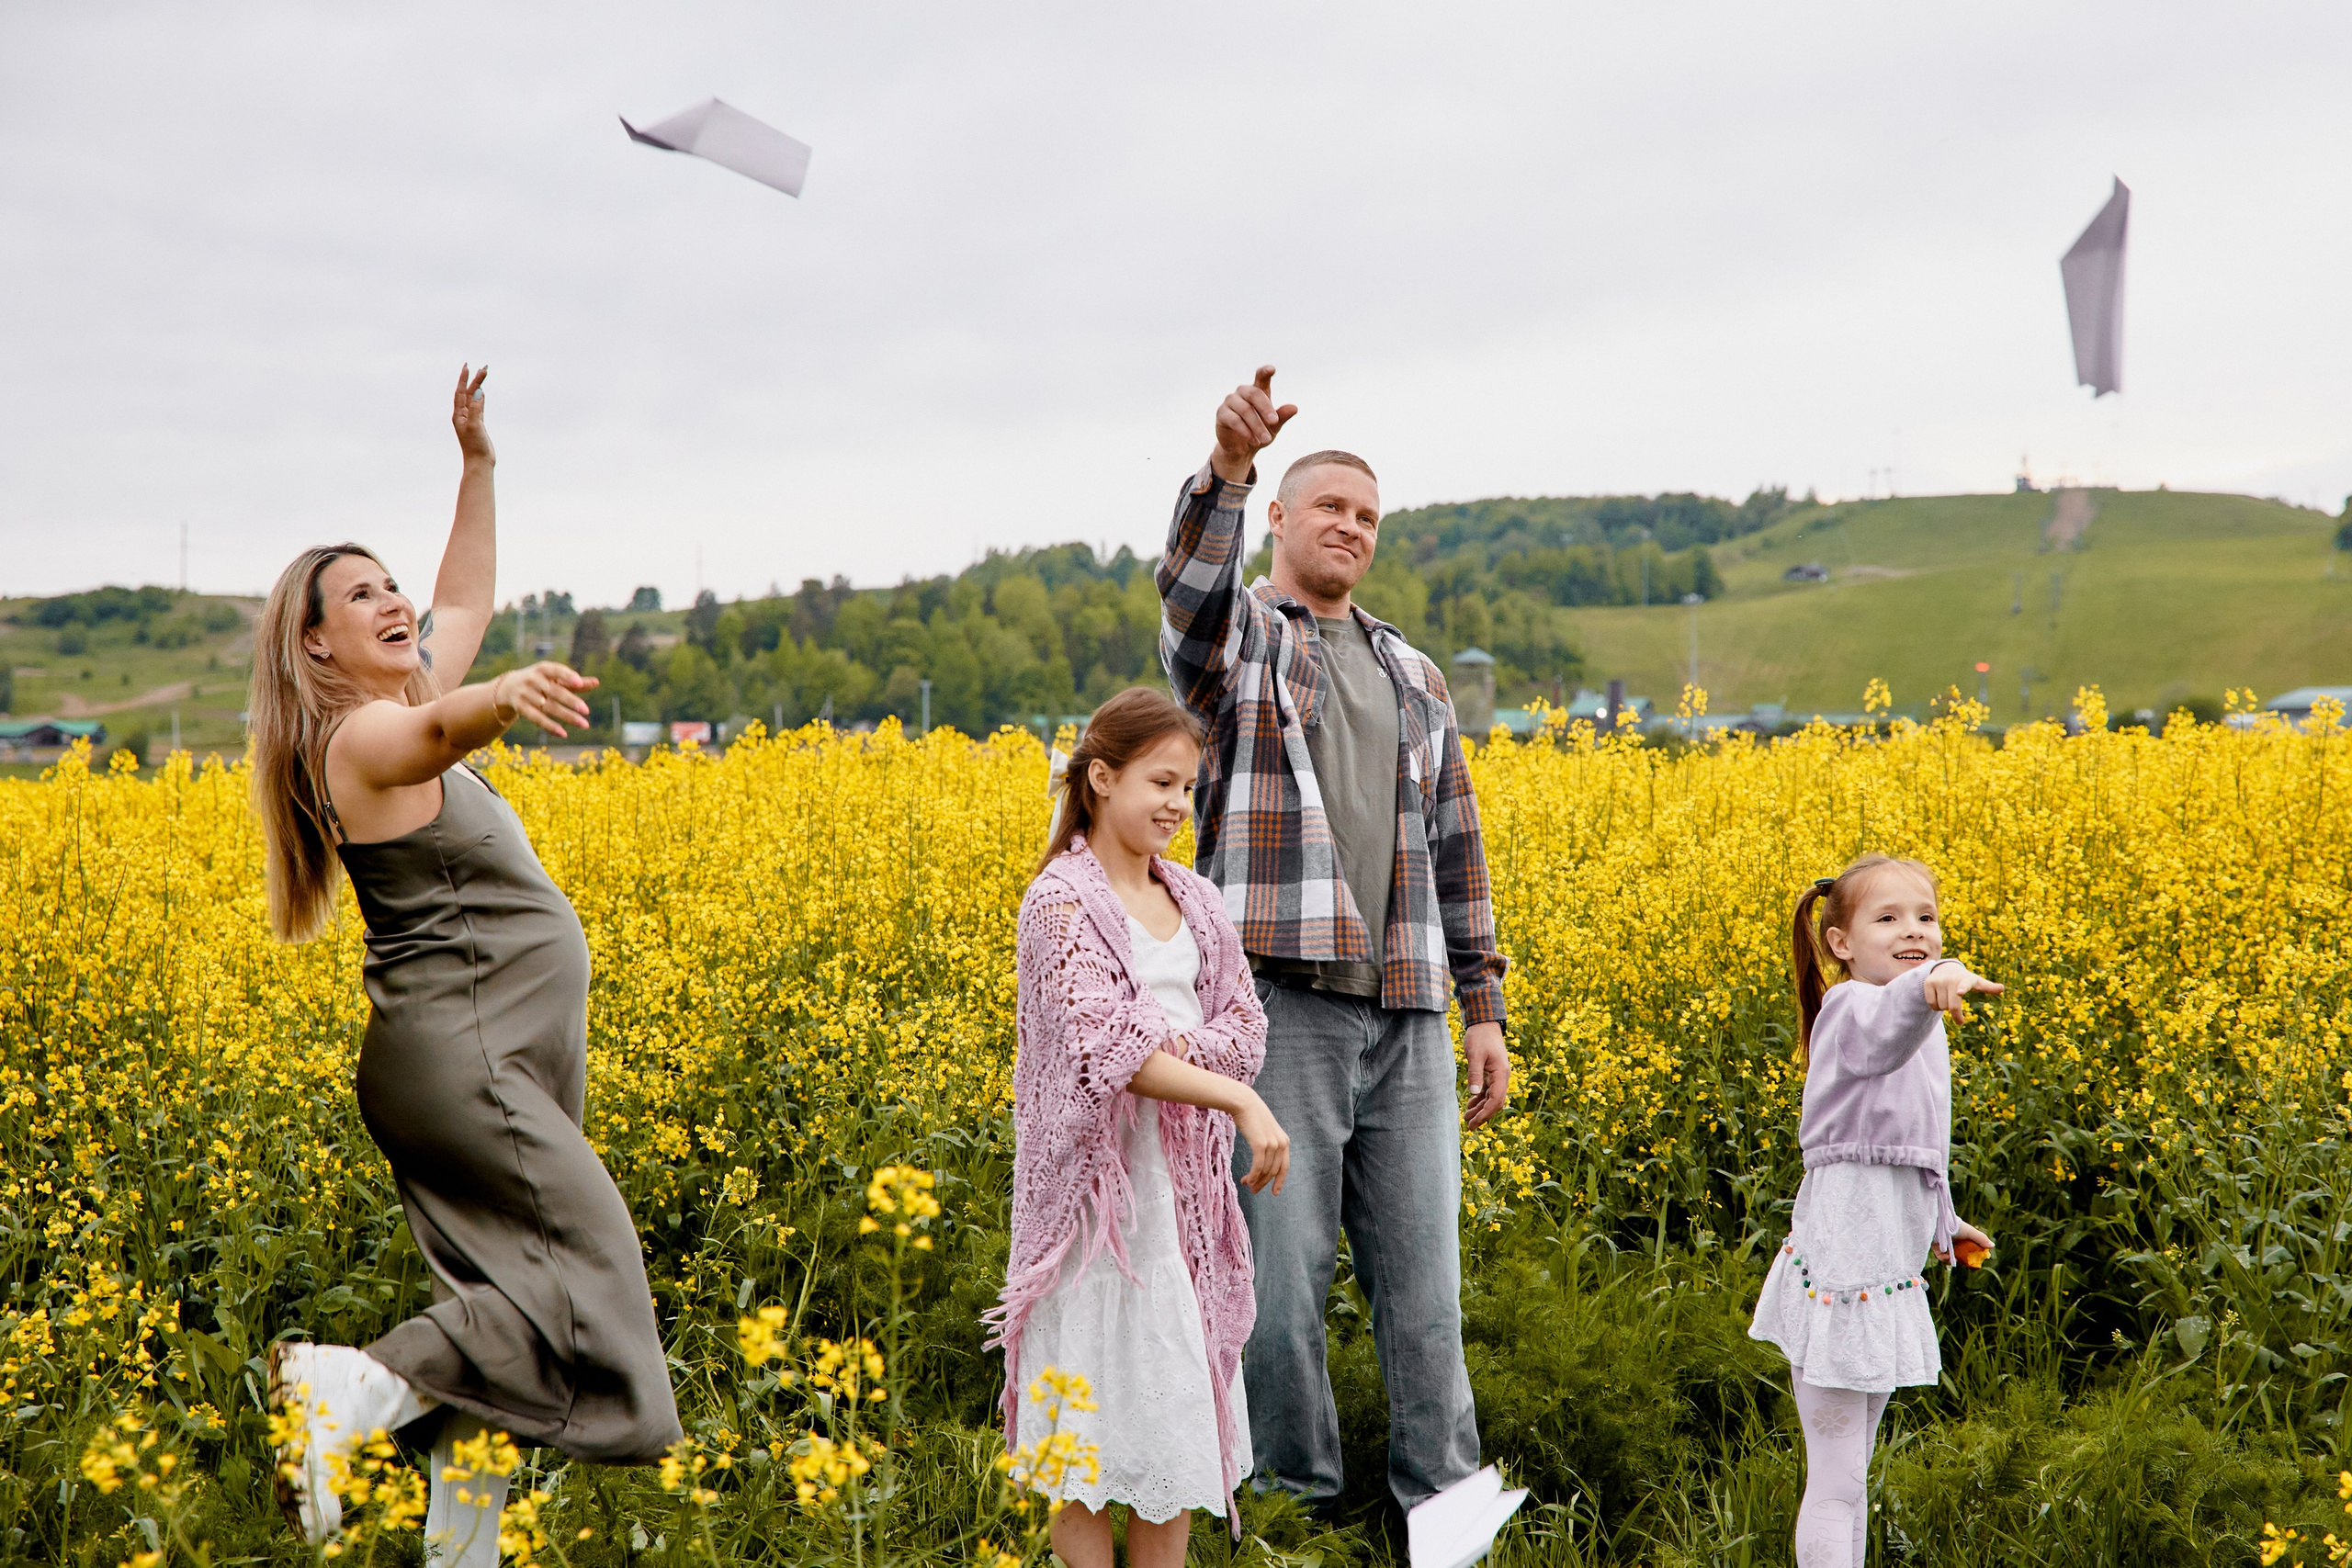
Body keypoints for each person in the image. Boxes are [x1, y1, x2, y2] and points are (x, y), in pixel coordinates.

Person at [247, 367, 682, 1564]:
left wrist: (478, 464)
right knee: (589, 1286)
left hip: (490, 1062)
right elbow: (437, 726)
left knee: (523, 1327)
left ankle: (462, 1550)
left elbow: (462, 594)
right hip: (468, 1064)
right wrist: (499, 695)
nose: (393, 602)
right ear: (317, 640)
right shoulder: (358, 738)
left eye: (389, 585)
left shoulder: (405, 688)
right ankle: (347, 1386)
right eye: (359, 594)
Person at [1154, 367, 1511, 1511]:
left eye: (1367, 516)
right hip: (1280, 1005)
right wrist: (1225, 465)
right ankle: (1294, 1510)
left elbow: (1458, 846)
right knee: (1281, 1280)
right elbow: (1189, 595)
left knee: (1426, 1286)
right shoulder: (1246, 644)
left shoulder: (1413, 672)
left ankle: (1443, 1511)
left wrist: (1484, 1007)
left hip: (1405, 1012)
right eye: (1329, 509)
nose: (1350, 528)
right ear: (1281, 520)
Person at [985, 686, 1288, 1564]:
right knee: (1083, 1436)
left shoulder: (1196, 899)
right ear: (1102, 778)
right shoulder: (1058, 904)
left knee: (1174, 1427)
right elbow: (1097, 1046)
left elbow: (1244, 1026)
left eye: (1188, 789)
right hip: (1092, 1207)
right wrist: (1227, 1091)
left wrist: (1166, 1049)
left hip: (1181, 1203)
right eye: (1161, 782)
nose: (1175, 805)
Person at [1747, 854, 2002, 1568]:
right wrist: (1932, 980)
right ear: (1841, 944)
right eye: (1887, 918)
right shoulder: (1854, 1006)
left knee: (1850, 1477)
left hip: (1880, 1267)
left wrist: (1942, 1220)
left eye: (1925, 917)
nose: (1913, 930)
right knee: (1834, 1482)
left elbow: (1903, 1146)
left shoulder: (1914, 1014)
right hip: (1843, 1269)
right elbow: (1886, 1027)